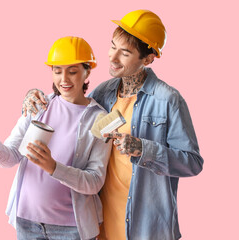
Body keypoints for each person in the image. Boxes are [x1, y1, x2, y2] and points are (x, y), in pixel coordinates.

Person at [22, 10, 204, 240]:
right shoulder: (104, 92)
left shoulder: (168, 100)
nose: (113, 57)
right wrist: (33, 97)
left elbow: (193, 163)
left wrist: (141, 148)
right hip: (103, 224)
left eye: (125, 53)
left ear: (147, 59)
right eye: (112, 46)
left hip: (147, 226)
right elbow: (69, 107)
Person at [0, 36, 111, 240]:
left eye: (73, 71)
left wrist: (53, 167)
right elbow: (12, 157)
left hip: (71, 229)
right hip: (27, 222)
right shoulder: (39, 105)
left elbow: (94, 182)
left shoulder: (100, 119)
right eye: (57, 71)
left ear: (87, 72)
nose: (64, 79)